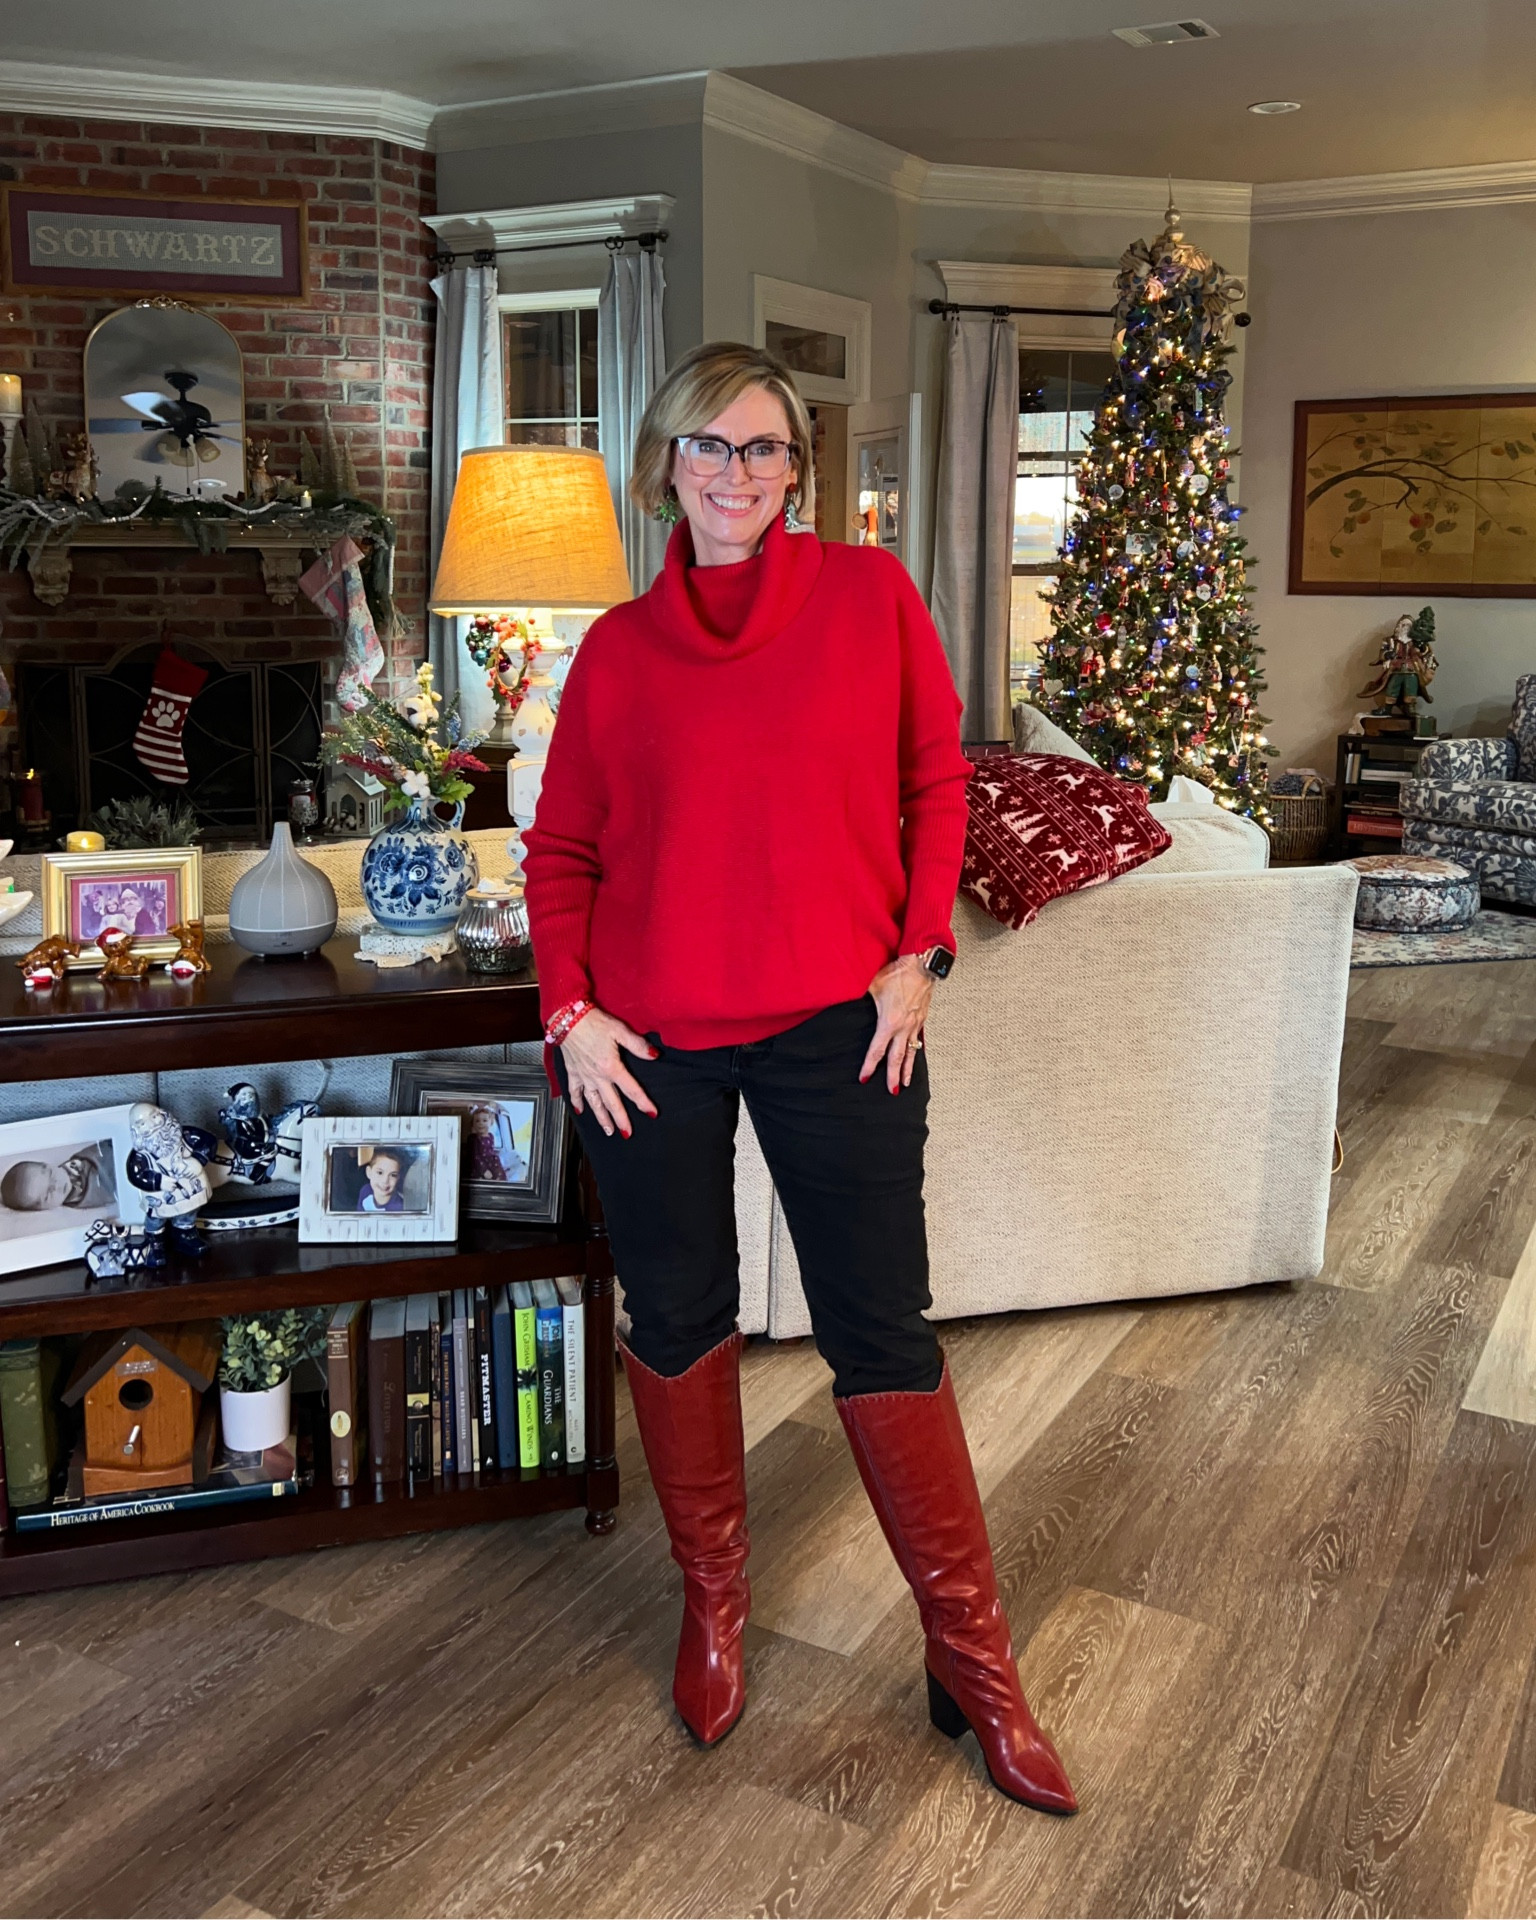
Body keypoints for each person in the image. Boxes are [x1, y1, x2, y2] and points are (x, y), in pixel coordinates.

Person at [523, 340, 1076, 1814]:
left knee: (880, 1330)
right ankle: (715, 1603)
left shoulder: (869, 601)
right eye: (709, 447)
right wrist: (568, 1009)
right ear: (667, 467)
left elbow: (934, 780)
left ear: (796, 473)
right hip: (648, 1044)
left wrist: (917, 957)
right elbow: (563, 849)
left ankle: (973, 1654)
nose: (735, 473)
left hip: (844, 1022)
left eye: (764, 449)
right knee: (681, 1311)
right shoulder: (619, 653)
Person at [1, 1143, 115, 1212]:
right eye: (47, 1195)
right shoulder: (81, 1200)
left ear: (47, 1164)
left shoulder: (79, 1161)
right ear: (42, 1209)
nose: (56, 1186)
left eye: (51, 1175)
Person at [356, 1146, 407, 1213]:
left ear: (398, 1178)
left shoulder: (399, 1207)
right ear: (369, 1172)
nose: (385, 1181)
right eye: (380, 1173)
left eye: (393, 1175)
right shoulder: (365, 1191)